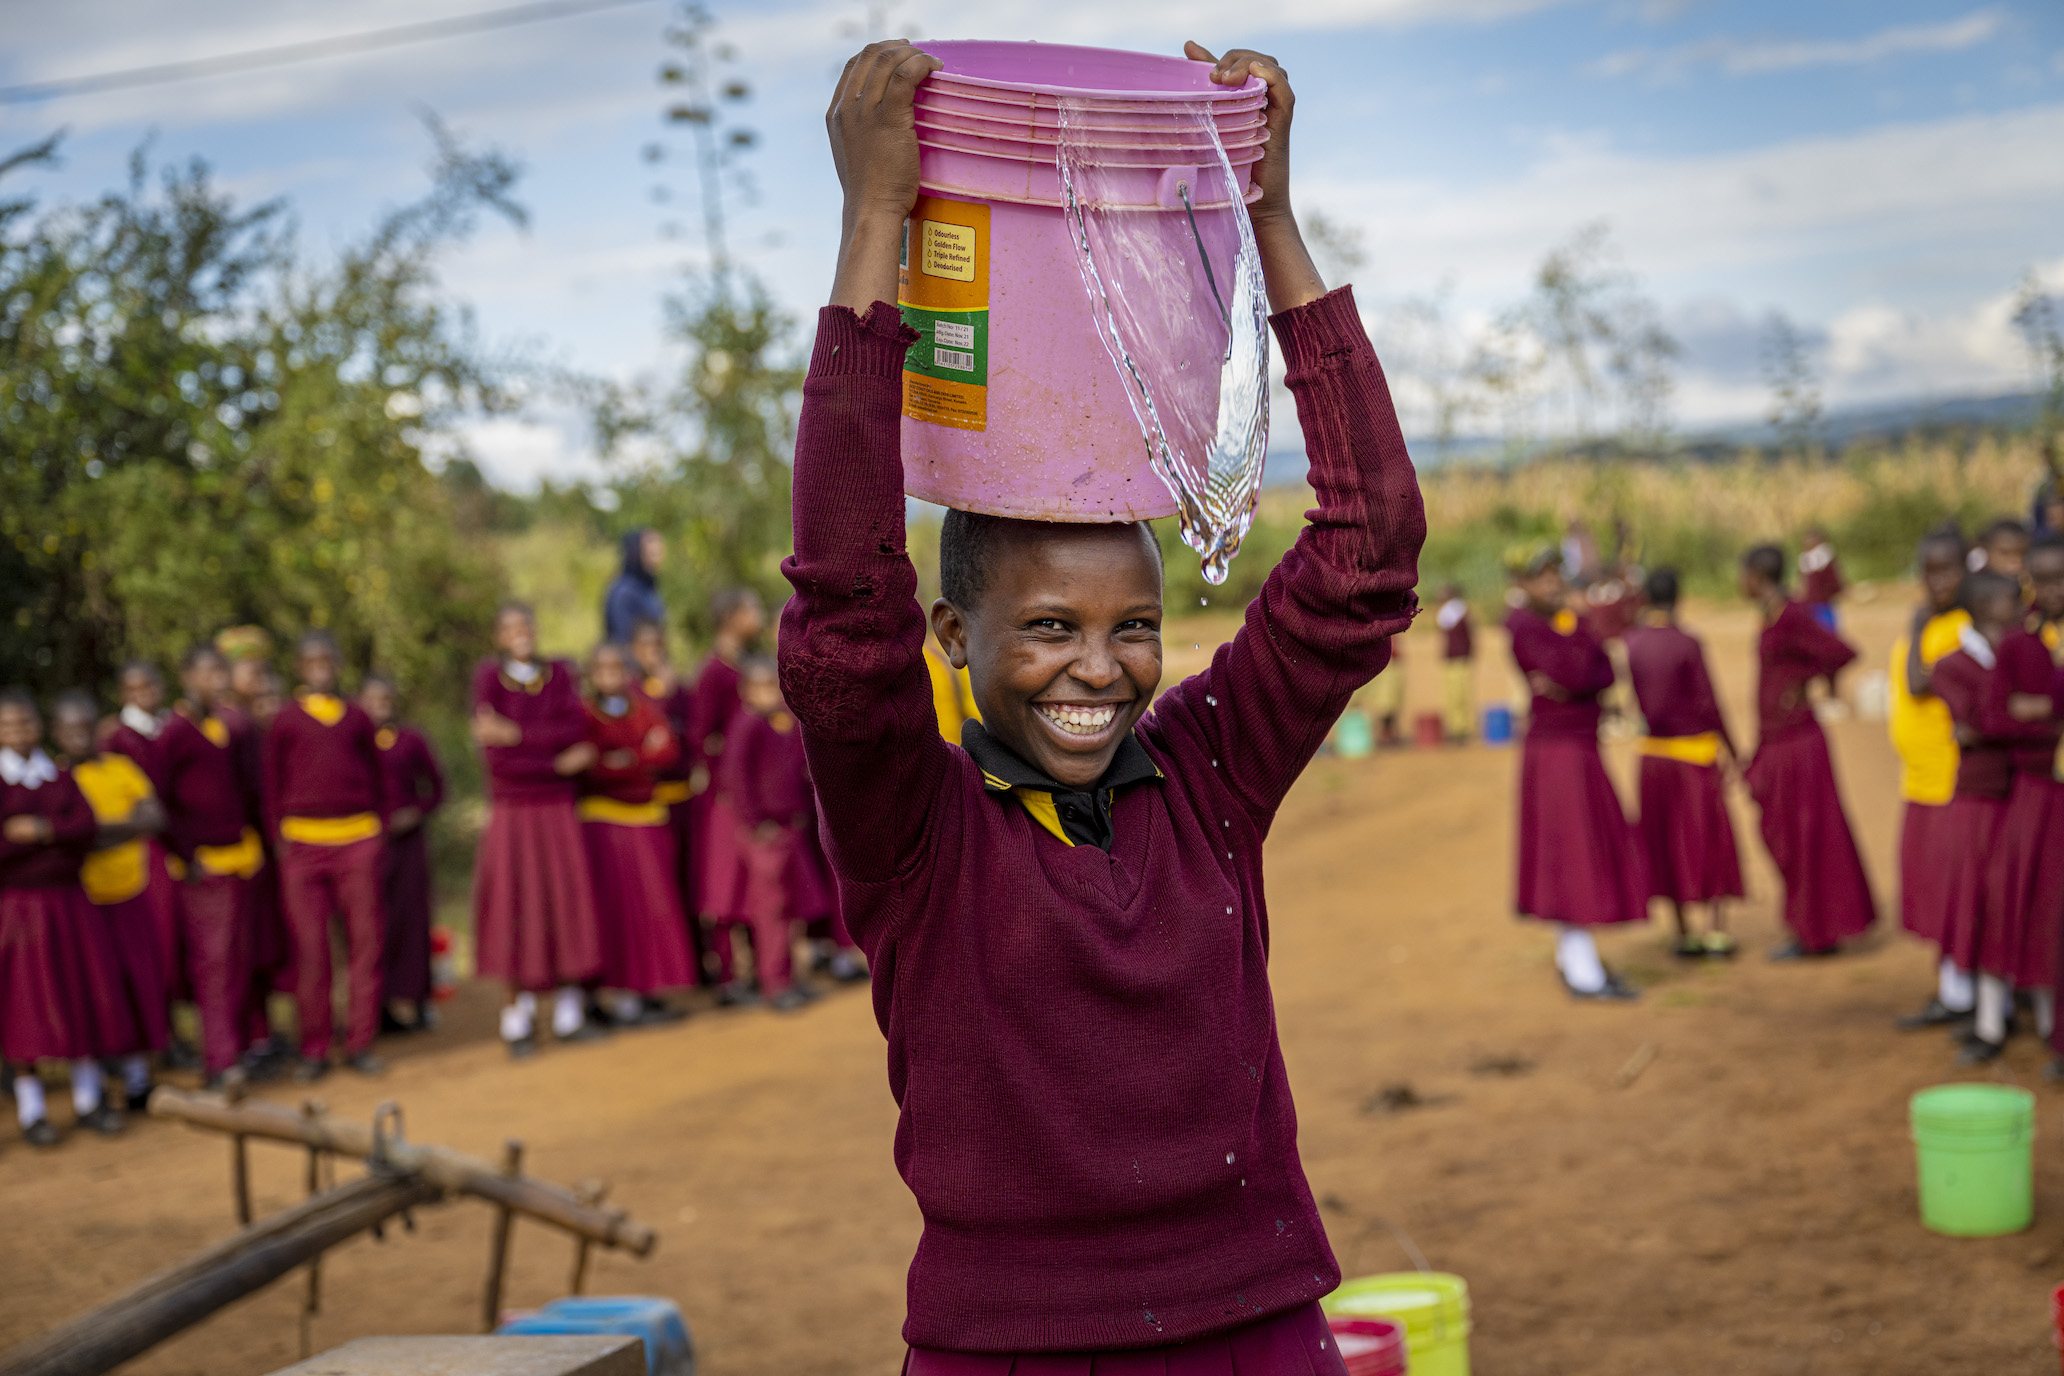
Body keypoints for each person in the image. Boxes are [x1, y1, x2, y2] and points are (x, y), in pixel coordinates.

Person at [787, 41, 1419, 1365]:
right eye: (1049, 629)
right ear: (953, 635)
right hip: (1006, 1347)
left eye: (1136, 626)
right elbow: (845, 611)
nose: (1101, 668)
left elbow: (1365, 557)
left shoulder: (1208, 782)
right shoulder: (919, 835)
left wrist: (1266, 216)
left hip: (1256, 1327)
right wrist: (874, 224)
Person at [1505, 548, 1647, 998]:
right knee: (1572, 854)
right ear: (1523, 583)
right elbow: (1574, 669)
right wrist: (1576, 661)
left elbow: (1603, 673)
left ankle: (1576, 960)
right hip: (1557, 752)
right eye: (1540, 576)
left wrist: (1575, 658)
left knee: (1576, 851)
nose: (1551, 584)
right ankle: (1583, 970)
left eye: (1554, 574)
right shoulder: (1522, 625)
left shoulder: (1564, 622)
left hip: (1577, 747)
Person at [0, 690, 138, 1144]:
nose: (19, 731)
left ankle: (89, 1101)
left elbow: (86, 827)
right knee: (24, 1008)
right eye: (9, 724)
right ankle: (33, 1111)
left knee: (82, 998)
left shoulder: (58, 777)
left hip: (69, 904)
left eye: (25, 722)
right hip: (18, 911)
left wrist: (41, 830)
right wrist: (50, 840)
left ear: (39, 726)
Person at [471, 602, 605, 1057]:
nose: (520, 633)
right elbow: (498, 762)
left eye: (525, 624)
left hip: (557, 808)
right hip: (513, 809)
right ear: (497, 636)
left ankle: (569, 1015)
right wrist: (554, 759)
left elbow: (576, 731)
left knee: (565, 903)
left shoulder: (562, 673)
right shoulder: (488, 678)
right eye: (509, 627)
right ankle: (517, 1020)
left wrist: (519, 736)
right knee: (516, 905)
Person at [1738, 544, 1876, 959]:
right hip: (1777, 740)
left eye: (1743, 574)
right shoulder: (1771, 614)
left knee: (1808, 834)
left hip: (1798, 743)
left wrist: (1805, 683)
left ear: (1758, 577)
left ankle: (1816, 933)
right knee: (1782, 833)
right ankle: (1810, 925)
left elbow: (1843, 651)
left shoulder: (1793, 615)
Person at [264, 632, 390, 1081]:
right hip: (303, 847)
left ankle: (360, 1042)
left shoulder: (357, 716)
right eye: (311, 659)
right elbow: (271, 786)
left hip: (357, 841)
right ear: (299, 666)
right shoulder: (284, 720)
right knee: (312, 952)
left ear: (338, 663)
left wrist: (378, 832)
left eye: (327, 658)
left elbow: (378, 779)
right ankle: (314, 1048)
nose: (320, 666)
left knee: (364, 944)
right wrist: (281, 841)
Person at [1929, 572, 2035, 1064]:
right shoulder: (1953, 664)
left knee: (2019, 903)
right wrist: (2025, 713)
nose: (2018, 614)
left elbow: (1994, 723)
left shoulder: (2023, 651)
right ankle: (1988, 1017)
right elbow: (1980, 724)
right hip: (1980, 801)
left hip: (2022, 795)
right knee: (1983, 905)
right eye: (2009, 606)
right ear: (1982, 610)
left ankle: (2011, 1007)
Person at [51, 692, 169, 1110]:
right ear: (57, 734)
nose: (81, 735)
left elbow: (154, 818)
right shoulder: (55, 779)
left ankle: (138, 1082)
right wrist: (119, 828)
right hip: (82, 903)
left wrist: (95, 832)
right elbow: (65, 839)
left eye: (87, 726)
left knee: (138, 986)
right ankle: (93, 1091)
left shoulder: (122, 769)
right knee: (93, 993)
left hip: (131, 893)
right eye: (71, 729)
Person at [156, 647, 267, 1088]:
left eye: (222, 671)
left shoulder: (232, 727)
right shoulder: (174, 732)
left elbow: (249, 788)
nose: (217, 680)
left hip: (240, 859)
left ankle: (240, 1049)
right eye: (207, 673)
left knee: (240, 959)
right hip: (202, 867)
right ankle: (220, 1061)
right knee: (214, 964)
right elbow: (159, 800)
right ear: (187, 676)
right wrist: (185, 855)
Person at [710, 656, 840, 1011]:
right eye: (763, 688)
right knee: (771, 912)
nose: (772, 694)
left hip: (789, 827)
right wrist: (756, 825)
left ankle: (791, 978)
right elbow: (735, 779)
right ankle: (775, 984)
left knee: (790, 909)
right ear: (747, 693)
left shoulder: (781, 725)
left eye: (775, 687)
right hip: (765, 834)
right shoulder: (746, 725)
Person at [1624, 568, 1743, 958]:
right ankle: (1715, 932)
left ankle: (1681, 932)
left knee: (1664, 840)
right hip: (1693, 755)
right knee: (1708, 838)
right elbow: (1708, 702)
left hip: (1653, 757)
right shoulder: (1687, 644)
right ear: (1679, 597)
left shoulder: (1634, 643)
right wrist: (1734, 750)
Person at [578, 641, 695, 1026]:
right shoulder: (584, 713)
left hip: (647, 819)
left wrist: (629, 760)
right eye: (602, 667)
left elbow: (669, 750)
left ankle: (649, 992)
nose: (610, 674)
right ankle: (623, 997)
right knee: (618, 911)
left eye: (617, 666)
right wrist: (636, 758)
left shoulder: (644, 707)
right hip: (605, 825)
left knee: (653, 909)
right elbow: (593, 766)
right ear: (591, 674)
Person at [1889, 531, 1976, 1029]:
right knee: (1933, 891)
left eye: (1948, 570)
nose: (1937, 581)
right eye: (1928, 571)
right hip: (1920, 781)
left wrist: (1919, 626)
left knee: (1955, 892)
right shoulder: (1930, 623)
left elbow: (1918, 683)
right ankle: (1951, 987)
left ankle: (1965, 994)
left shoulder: (1964, 626)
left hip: (1951, 781)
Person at [689, 586, 765, 995]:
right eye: (750, 607)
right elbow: (702, 737)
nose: (757, 615)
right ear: (731, 616)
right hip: (725, 796)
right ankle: (727, 975)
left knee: (751, 884)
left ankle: (756, 970)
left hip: (751, 792)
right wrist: (722, 779)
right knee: (723, 886)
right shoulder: (714, 671)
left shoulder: (747, 666)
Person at [360, 675, 446, 1034]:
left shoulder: (411, 738)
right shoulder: (353, 739)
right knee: (375, 924)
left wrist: (417, 811)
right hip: (369, 845)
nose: (381, 704)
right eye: (373, 698)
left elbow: (437, 787)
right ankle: (376, 1007)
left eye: (386, 698)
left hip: (409, 845)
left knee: (412, 920)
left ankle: (419, 1000)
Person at [627, 618, 708, 984]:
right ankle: (677, 970)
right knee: (664, 888)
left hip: (684, 799)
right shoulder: (629, 693)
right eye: (645, 648)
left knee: (693, 883)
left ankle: (703, 965)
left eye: (658, 646)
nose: (653, 654)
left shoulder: (680, 689)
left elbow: (694, 736)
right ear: (634, 652)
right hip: (650, 805)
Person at [603, 527, 669, 647]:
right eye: (650, 542)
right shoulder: (624, 591)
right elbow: (621, 638)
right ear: (636, 550)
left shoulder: (649, 588)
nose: (657, 547)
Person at [1435, 583, 1474, 744]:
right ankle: (1458, 728)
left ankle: (1461, 729)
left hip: (1458, 658)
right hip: (1455, 658)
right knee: (1455, 695)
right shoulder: (1453, 613)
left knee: (1459, 695)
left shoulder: (1457, 612)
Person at [1797, 526, 1844, 631]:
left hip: (1823, 598)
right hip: (1814, 598)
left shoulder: (1824, 553)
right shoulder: (1805, 557)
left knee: (1826, 623)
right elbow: (1803, 579)